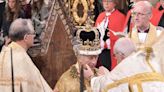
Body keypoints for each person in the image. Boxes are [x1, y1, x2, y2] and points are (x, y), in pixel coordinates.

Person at [0, 18, 53, 92]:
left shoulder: (4, 53)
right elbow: (35, 87)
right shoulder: (22, 59)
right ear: (25, 37)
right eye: (33, 34)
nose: (34, 36)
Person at [53, 25, 102, 92]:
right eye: (90, 57)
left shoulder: (101, 76)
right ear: (79, 56)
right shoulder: (66, 80)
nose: (94, 62)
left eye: (96, 57)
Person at [95, 0, 126, 70]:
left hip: (112, 53)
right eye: (104, 1)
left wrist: (109, 39)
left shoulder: (120, 17)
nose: (106, 4)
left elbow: (121, 37)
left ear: (115, 3)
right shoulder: (100, 16)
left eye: (109, 1)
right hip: (100, 52)